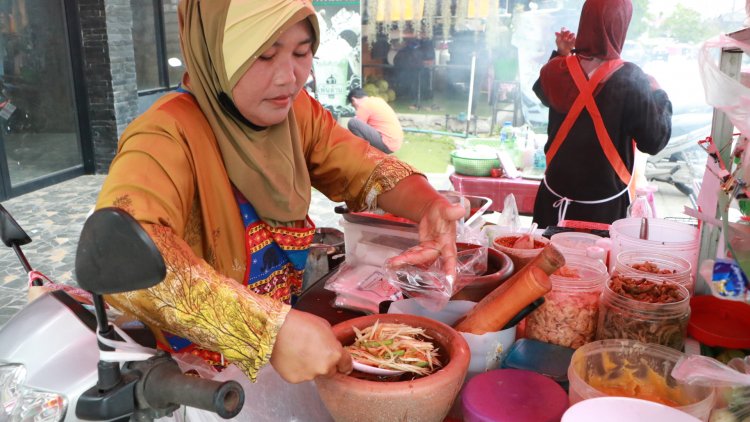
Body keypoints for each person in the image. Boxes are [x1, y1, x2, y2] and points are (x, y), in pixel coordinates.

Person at [95, 0, 464, 386]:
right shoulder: (163, 135)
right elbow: (122, 254)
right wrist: (266, 330)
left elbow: (364, 167)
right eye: (265, 55)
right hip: (191, 380)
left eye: (302, 52)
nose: (290, 76)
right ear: (216, 54)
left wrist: (428, 206)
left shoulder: (294, 112)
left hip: (283, 354)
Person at [531, 0, 672, 228]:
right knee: (595, 264)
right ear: (621, 26)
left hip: (551, 205)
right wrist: (658, 95)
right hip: (602, 214)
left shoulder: (555, 70)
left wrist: (561, 55)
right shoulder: (632, 80)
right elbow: (654, 142)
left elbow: (543, 93)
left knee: (546, 263)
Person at [346, 88, 404, 154]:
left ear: (354, 100)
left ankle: (362, 153)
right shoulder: (378, 100)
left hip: (386, 143)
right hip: (395, 143)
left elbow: (355, 130)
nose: (356, 109)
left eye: (354, 106)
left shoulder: (364, 105)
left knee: (353, 122)